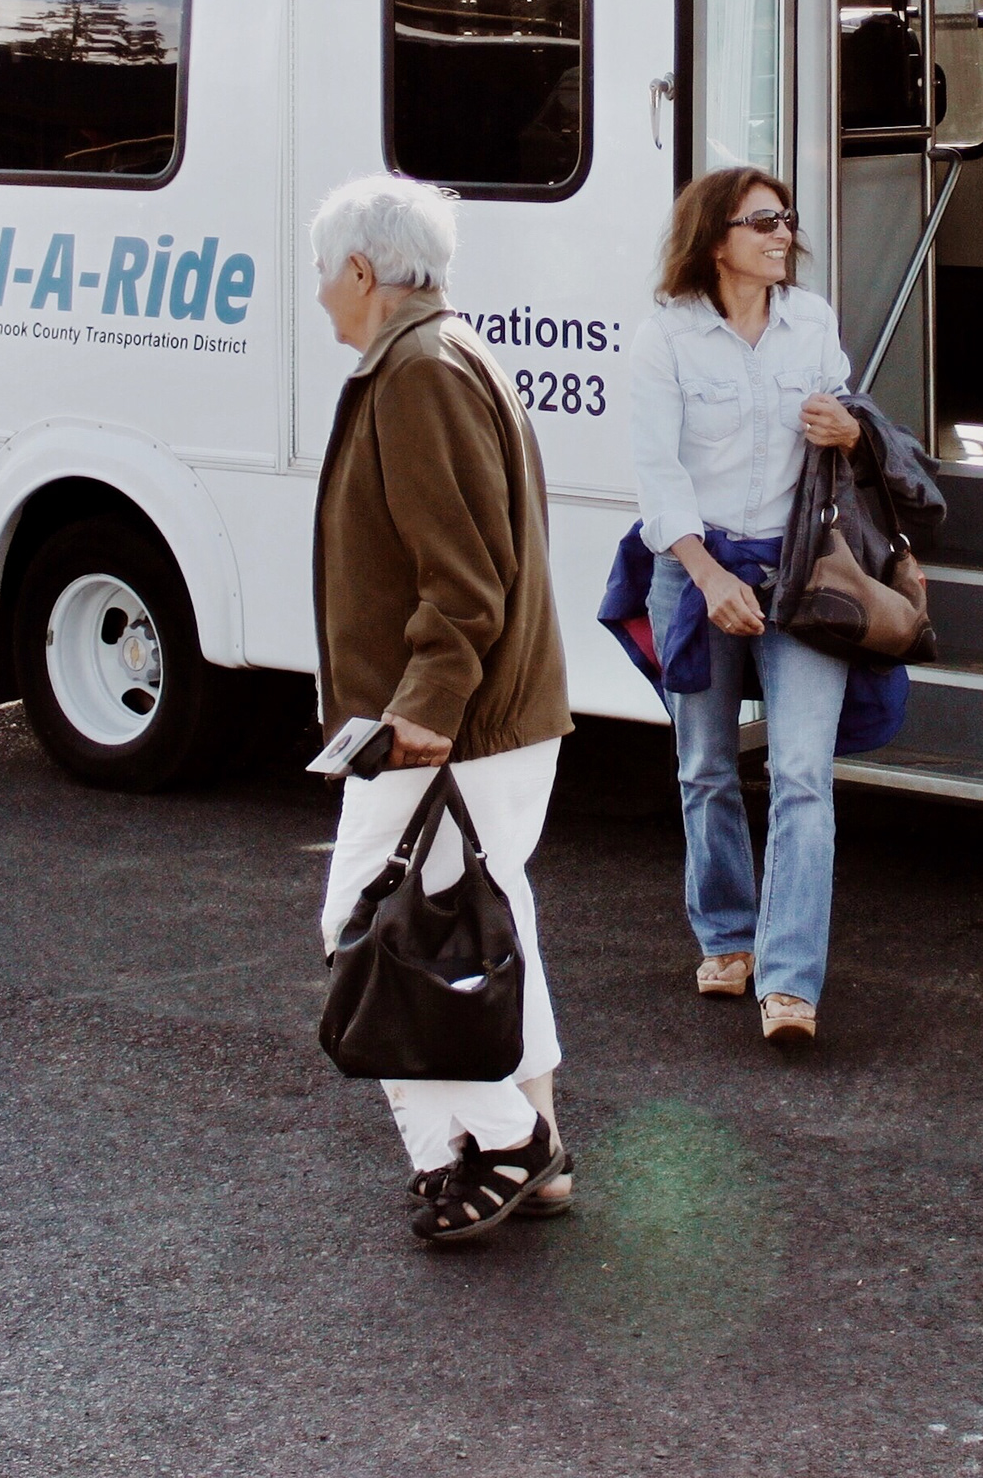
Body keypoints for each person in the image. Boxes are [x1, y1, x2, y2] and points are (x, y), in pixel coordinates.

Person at [306, 171, 579, 1244]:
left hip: (450, 728)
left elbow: (464, 577)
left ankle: (508, 1142)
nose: (320, 294)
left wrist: (423, 709)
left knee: (373, 931)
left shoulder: (420, 370)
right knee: (485, 929)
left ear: (361, 271)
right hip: (486, 724)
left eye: (324, 273)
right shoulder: (442, 354)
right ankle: (487, 1152)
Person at [627, 163, 864, 1046]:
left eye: (784, 219)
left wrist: (850, 430)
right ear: (714, 241)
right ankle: (727, 937)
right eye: (761, 221)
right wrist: (706, 575)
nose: (781, 234)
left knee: (803, 774)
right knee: (706, 767)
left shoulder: (813, 321)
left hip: (799, 573)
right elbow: (658, 476)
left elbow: (847, 428)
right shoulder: (667, 337)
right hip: (696, 570)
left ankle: (791, 982)